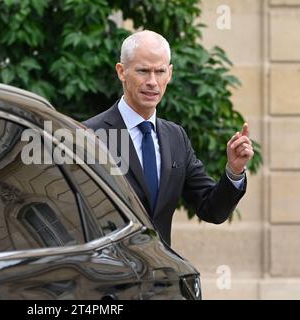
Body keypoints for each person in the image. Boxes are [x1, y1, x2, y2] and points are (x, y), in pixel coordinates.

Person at [83, 30, 254, 246]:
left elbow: (212, 210)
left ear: (170, 73)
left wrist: (234, 171)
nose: (152, 82)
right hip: (109, 275)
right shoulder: (89, 135)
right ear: (121, 72)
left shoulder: (176, 137)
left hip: (162, 275)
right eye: (143, 71)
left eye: (160, 71)